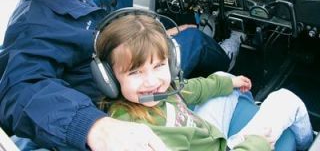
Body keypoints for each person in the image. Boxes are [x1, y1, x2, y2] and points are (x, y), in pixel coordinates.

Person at [0, 0, 237, 150]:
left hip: (125, 64)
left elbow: (109, 38)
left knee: (177, 34)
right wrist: (92, 126)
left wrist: (163, 36)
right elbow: (19, 90)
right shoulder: (31, 25)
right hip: (120, 94)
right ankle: (227, 63)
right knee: (195, 38)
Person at [94, 11, 314, 151]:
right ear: (109, 79)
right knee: (286, 99)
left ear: (171, 63)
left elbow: (189, 89)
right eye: (135, 73)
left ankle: (245, 101)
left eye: (159, 65)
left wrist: (231, 83)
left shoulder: (155, 94)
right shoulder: (142, 137)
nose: (152, 81)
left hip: (204, 135)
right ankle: (308, 145)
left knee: (222, 78)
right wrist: (255, 144)